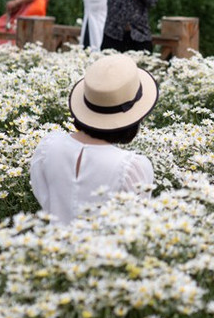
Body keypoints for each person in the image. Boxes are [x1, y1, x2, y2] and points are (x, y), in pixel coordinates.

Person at [29, 54, 158, 224]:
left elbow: (44, 198)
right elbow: (137, 226)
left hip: (53, 247)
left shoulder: (49, 146)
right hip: (108, 250)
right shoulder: (131, 166)